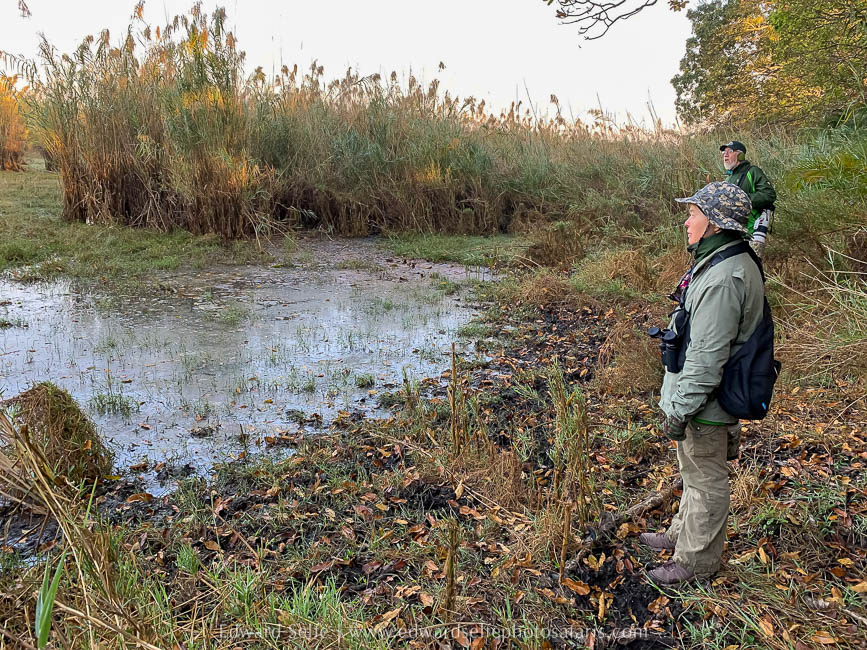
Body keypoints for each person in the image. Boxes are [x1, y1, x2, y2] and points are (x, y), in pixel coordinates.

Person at [640, 181, 765, 585]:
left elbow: (707, 358)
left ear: (713, 223)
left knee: (707, 478)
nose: (687, 221)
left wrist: (679, 409)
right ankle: (680, 536)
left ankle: (696, 563)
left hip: (707, 403)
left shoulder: (725, 277)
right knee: (694, 471)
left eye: (694, 214)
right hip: (705, 399)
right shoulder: (723, 260)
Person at [720, 140, 776, 257]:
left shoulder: (753, 172)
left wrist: (742, 199)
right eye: (724, 153)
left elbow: (769, 195)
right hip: (733, 234)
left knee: (752, 265)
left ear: (741, 155)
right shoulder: (727, 179)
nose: (725, 155)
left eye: (730, 151)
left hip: (752, 232)